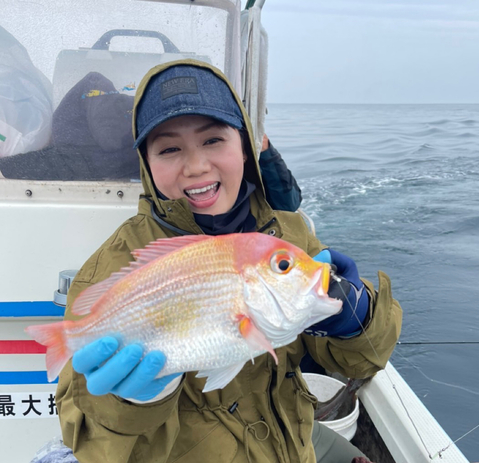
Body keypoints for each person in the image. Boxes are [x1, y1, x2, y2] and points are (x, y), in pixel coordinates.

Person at [55, 59, 402, 463]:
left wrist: (356, 320)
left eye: (214, 140)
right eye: (169, 149)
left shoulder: (290, 236)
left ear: (244, 144)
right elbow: (87, 440)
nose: (197, 165)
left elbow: (363, 360)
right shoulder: (116, 264)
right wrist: (130, 402)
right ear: (147, 165)